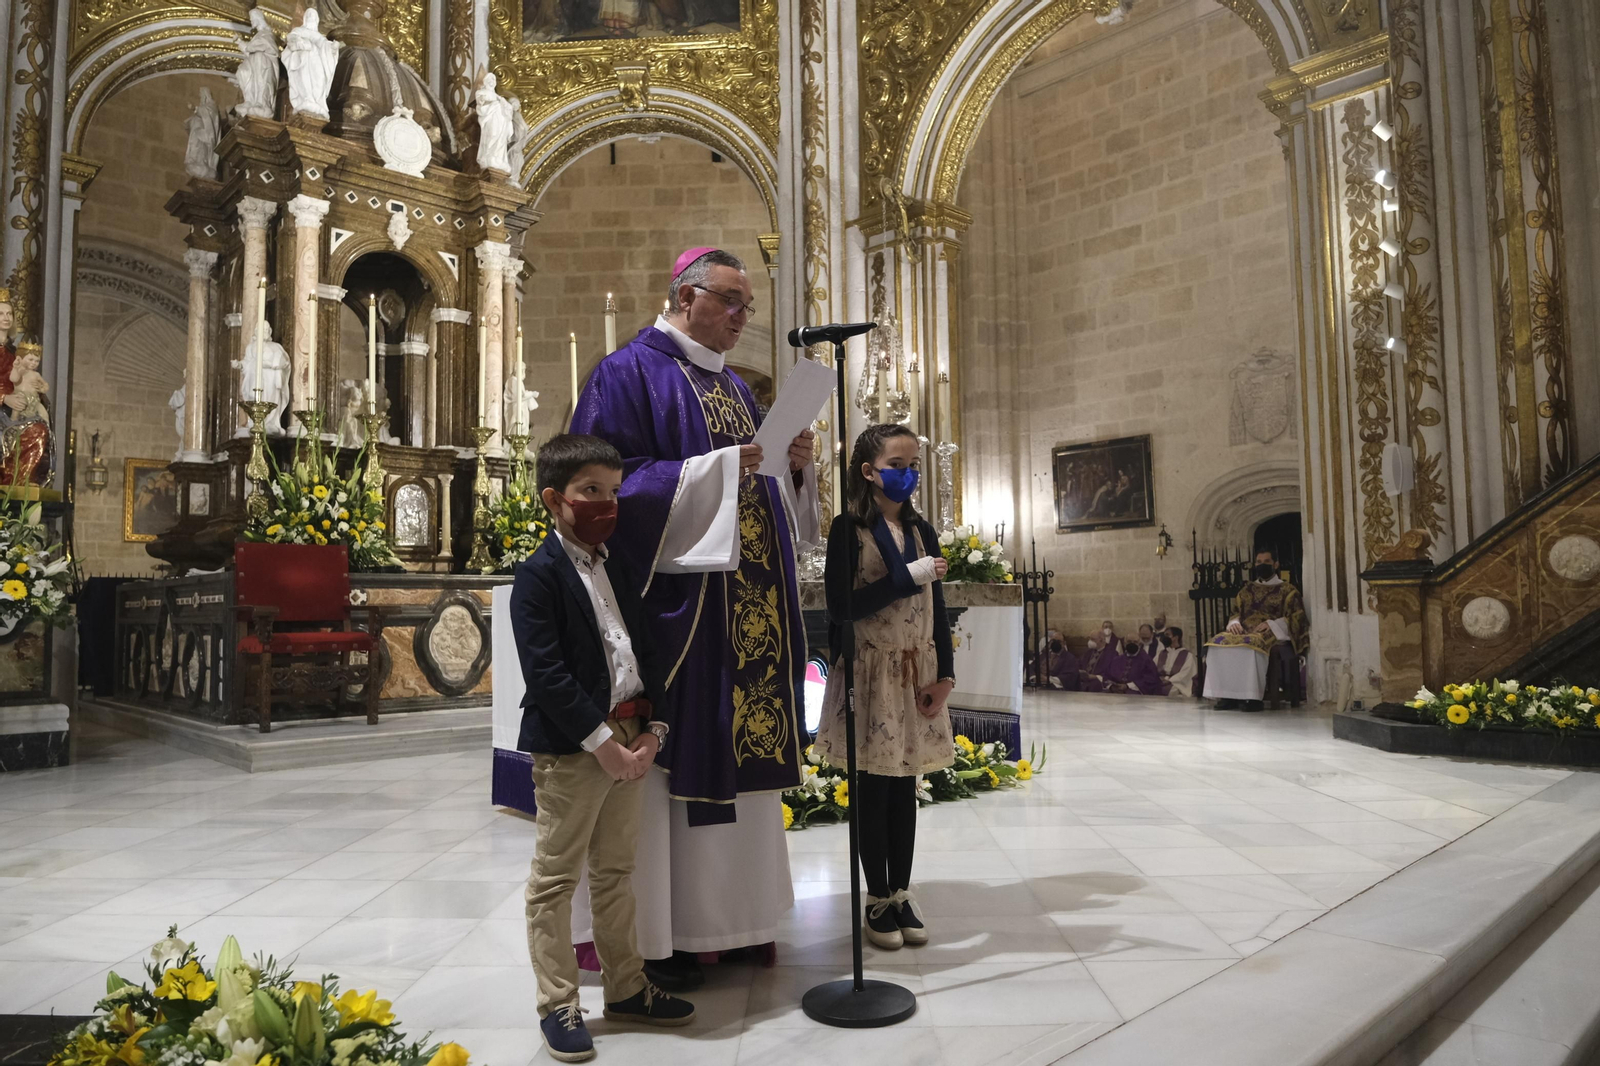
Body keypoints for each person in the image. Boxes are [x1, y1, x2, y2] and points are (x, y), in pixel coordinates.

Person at [571, 246, 820, 983]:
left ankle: (730, 921)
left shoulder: (737, 387)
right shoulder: (625, 371)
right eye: (732, 301)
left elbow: (760, 489)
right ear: (686, 295)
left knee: (741, 754)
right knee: (673, 764)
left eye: (748, 304)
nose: (745, 317)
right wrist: (716, 469)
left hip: (743, 615)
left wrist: (790, 464)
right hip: (675, 617)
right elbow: (598, 484)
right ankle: (660, 936)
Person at [510, 435, 695, 1063]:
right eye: (591, 491)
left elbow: (646, 653)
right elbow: (548, 675)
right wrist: (601, 745)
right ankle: (559, 1001)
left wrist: (652, 731)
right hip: (573, 747)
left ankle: (626, 989)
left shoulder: (615, 565)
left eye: (613, 492)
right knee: (556, 878)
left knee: (616, 872)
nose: (606, 504)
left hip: (630, 734)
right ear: (554, 499)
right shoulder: (537, 577)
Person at [817, 424, 955, 950]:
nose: (909, 474)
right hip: (871, 673)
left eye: (913, 464)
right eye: (898, 464)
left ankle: (900, 890)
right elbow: (841, 607)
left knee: (905, 787)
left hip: (916, 671)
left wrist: (944, 676)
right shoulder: (848, 529)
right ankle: (875, 898)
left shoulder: (921, 529)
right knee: (873, 788)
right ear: (869, 471)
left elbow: (937, 607)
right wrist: (906, 576)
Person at [1202, 549, 1309, 711]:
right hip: (1244, 630)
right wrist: (1234, 623)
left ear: (1276, 564)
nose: (1262, 565)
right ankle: (1227, 695)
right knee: (1217, 642)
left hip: (1272, 632)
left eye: (1266, 562)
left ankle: (1252, 698)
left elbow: (1297, 617)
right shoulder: (1246, 590)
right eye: (1259, 562)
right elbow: (1235, 612)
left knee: (1252, 645)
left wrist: (1273, 624)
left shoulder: (1288, 590)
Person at [1100, 637, 1165, 695]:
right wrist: (1112, 686)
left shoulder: (1146, 660)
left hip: (1136, 692)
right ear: (1124, 644)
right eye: (1129, 641)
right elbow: (1106, 676)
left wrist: (1128, 686)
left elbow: (1151, 679)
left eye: (1135, 642)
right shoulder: (1117, 660)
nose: (1132, 644)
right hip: (1115, 692)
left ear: (1140, 644)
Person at [1155, 627, 1197, 698]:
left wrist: (1169, 680)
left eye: (1168, 635)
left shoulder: (1187, 655)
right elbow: (1153, 667)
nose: (1165, 637)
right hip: (1160, 682)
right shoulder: (1161, 653)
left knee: (1173, 691)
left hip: (1177, 684)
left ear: (1176, 637)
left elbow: (1186, 673)